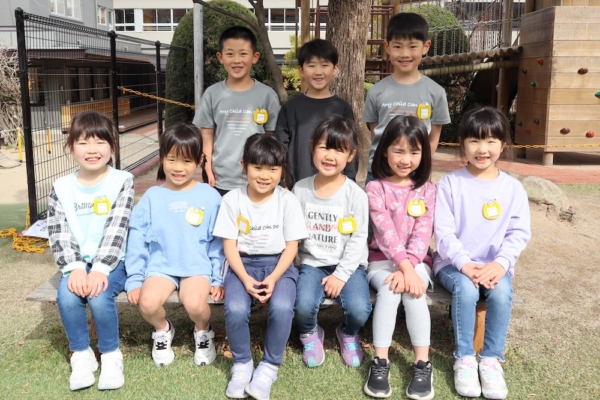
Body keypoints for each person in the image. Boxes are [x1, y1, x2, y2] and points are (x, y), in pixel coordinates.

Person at [434, 107, 531, 399]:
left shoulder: (513, 188)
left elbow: (518, 233)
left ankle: (490, 359)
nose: (482, 149)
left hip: (494, 267)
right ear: (462, 143)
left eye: (491, 141)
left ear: (503, 144)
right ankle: (464, 358)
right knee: (466, 288)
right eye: (474, 140)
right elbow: (443, 232)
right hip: (452, 264)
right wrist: (465, 264)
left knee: (501, 292)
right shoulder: (451, 183)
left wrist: (501, 264)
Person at [213, 134, 308, 400]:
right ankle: (242, 363)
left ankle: (269, 366)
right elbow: (229, 246)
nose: (265, 175)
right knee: (235, 308)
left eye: (273, 169)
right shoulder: (232, 200)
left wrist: (275, 277)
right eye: (257, 167)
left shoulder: (287, 200)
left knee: (282, 307)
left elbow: (292, 247)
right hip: (241, 265)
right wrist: (244, 278)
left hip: (279, 265)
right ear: (244, 166)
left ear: (282, 170)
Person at [47, 111, 134, 391]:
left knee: (98, 294)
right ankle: (81, 355)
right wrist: (74, 268)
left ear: (113, 146)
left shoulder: (122, 180)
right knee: (67, 295)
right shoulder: (61, 187)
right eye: (83, 142)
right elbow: (59, 232)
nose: (92, 150)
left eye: (100, 142)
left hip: (112, 261)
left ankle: (110, 355)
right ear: (71, 147)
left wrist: (99, 268)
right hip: (76, 262)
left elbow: (117, 228)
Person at [125, 123, 224, 368]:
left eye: (187, 161)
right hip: (161, 267)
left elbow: (218, 242)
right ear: (162, 158)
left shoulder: (210, 196)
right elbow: (137, 239)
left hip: (196, 266)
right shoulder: (151, 197)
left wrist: (217, 278)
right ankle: (163, 329)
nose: (178, 168)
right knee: (147, 303)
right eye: (171, 159)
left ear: (199, 161)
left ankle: (203, 330)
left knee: (195, 304)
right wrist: (135, 279)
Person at [364, 115, 436, 400]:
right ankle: (380, 361)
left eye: (414, 152)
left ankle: (422, 363)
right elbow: (385, 233)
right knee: (390, 289)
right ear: (384, 151)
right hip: (381, 261)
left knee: (414, 294)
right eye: (399, 151)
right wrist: (404, 270)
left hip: (418, 262)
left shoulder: (428, 189)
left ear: (424, 154)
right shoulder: (375, 188)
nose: (406, 159)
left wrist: (410, 268)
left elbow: (423, 232)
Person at [292, 115, 371, 369]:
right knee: (302, 307)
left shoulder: (356, 195)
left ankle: (347, 333)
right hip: (312, 264)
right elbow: (292, 233)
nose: (330, 156)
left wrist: (341, 274)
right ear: (313, 147)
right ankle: (310, 333)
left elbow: (358, 238)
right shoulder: (300, 189)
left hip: (349, 265)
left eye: (339, 150)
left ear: (351, 155)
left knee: (359, 309)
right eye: (324, 147)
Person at [363, 12, 451, 185]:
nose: (404, 54)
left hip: (416, 174)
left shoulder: (436, 92)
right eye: (397, 46)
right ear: (387, 47)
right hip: (379, 173)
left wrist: (421, 166)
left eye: (412, 46)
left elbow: (433, 139)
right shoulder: (376, 91)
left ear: (425, 47)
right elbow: (376, 134)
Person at [194, 26, 281, 196]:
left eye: (243, 54)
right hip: (220, 178)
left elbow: (272, 137)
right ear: (220, 57)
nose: (236, 60)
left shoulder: (267, 95)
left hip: (257, 179)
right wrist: (208, 168)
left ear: (255, 57)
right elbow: (207, 134)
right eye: (230, 54)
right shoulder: (212, 94)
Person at [275, 39, 356, 186]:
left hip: (335, 188)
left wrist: (350, 182)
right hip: (298, 187)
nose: (318, 72)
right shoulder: (290, 107)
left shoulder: (342, 107)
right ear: (301, 70)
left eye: (324, 65)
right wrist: (281, 184)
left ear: (335, 68)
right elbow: (280, 148)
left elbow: (350, 147)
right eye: (311, 65)